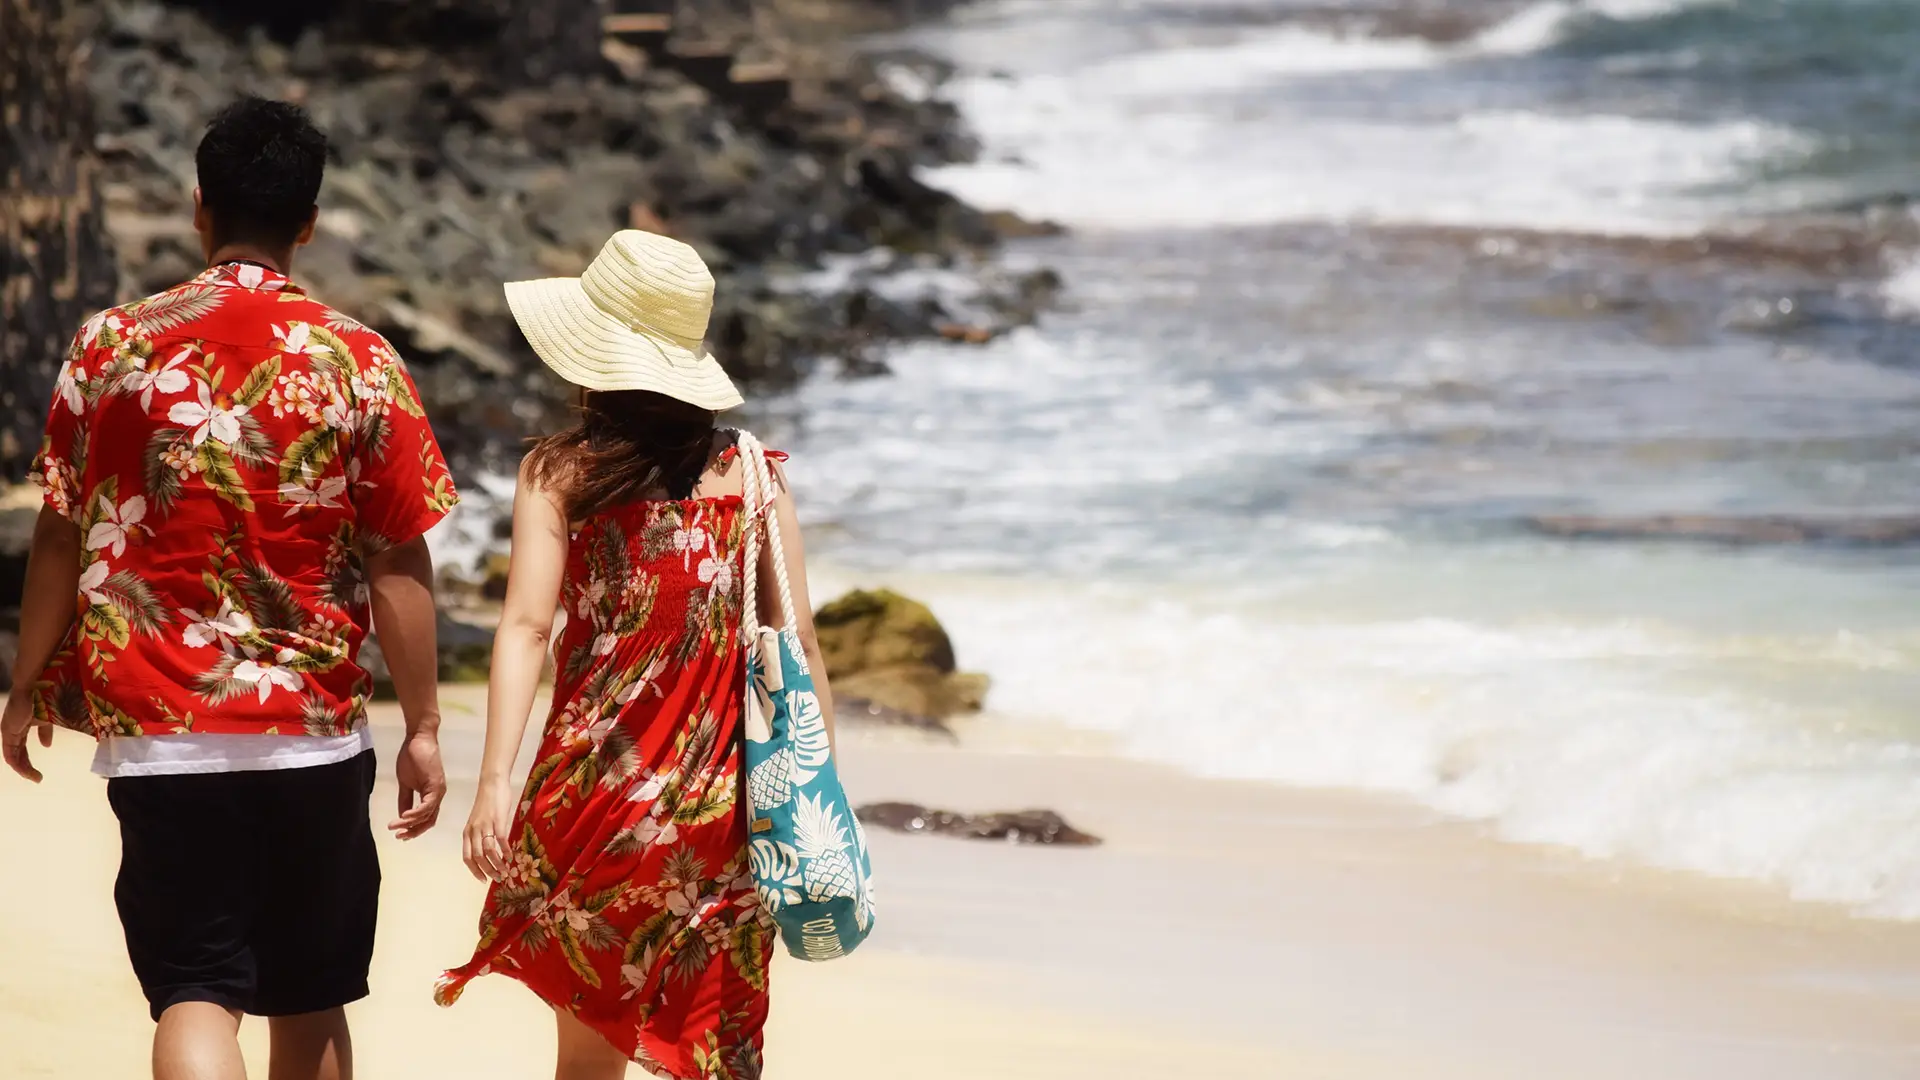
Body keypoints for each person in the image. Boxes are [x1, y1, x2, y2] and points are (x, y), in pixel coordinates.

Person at [0, 97, 458, 1080]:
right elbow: (397, 560)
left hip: (158, 726)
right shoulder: (357, 359)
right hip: (310, 729)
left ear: (199, 209)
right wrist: (421, 722)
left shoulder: (110, 346)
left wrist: (28, 678)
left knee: (194, 988)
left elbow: (59, 533)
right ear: (309, 223)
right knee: (309, 992)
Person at [435, 230, 836, 1080]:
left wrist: (497, 781)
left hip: (595, 801)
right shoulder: (753, 473)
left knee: (587, 1053)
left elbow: (525, 630)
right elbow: (796, 640)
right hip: (721, 812)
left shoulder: (559, 471)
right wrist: (819, 784)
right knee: (720, 1052)